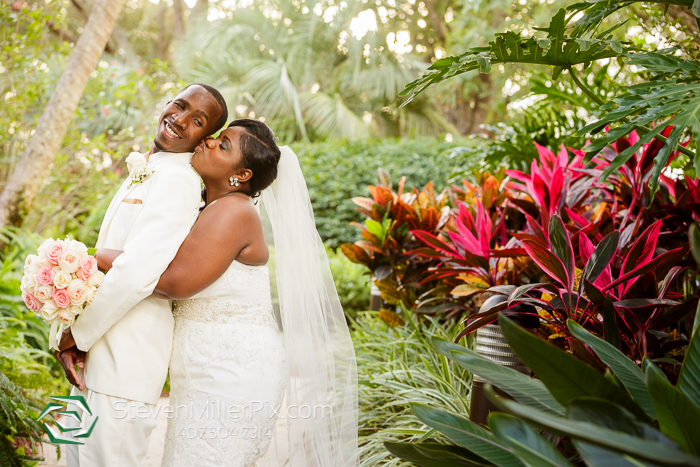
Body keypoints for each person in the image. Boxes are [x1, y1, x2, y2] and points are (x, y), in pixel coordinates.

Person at [97, 119, 359, 466]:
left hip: (232, 372)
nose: (207, 141)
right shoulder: (206, 207)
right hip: (202, 368)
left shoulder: (234, 212)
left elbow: (176, 282)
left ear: (242, 175)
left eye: (223, 145)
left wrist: (96, 257)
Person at [55, 84, 228, 467]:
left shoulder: (178, 182)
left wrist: (76, 337)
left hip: (124, 365)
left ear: (205, 138)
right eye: (179, 106)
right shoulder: (150, 168)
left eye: (196, 120)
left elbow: (137, 274)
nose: (180, 119)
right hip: (94, 359)